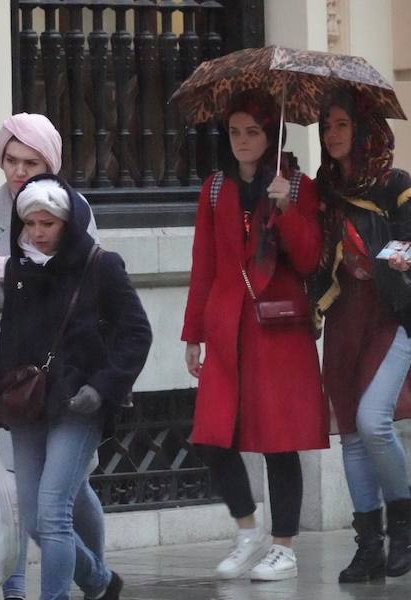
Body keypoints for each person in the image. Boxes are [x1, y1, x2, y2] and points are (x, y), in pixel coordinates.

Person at [0, 174, 152, 600]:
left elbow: (137, 333)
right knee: (33, 519)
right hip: (29, 404)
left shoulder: (101, 264)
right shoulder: (19, 270)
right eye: (30, 223)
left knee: (53, 515)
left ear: (67, 222)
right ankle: (100, 581)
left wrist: (103, 387)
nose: (37, 232)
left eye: (47, 224)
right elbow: (7, 345)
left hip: (80, 403)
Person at [0, 113, 104, 600]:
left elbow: (83, 284)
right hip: (7, 373)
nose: (18, 170)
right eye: (11, 160)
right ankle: (14, 592)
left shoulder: (73, 208)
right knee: (19, 493)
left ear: (50, 163)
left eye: (30, 161)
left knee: (70, 493)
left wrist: (9, 274)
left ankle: (96, 577)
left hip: (66, 376)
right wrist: (21, 288)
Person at [180, 89, 328, 582]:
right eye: (235, 132)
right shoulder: (215, 188)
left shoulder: (299, 185)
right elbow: (203, 264)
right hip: (226, 327)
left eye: (254, 131)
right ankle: (247, 531)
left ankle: (283, 545)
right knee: (212, 435)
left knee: (278, 440)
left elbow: (309, 259)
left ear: (272, 134)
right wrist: (192, 333)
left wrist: (286, 209)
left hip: (279, 331)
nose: (243, 141)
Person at [312, 89, 411, 583]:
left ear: (361, 130)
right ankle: (369, 548)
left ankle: (403, 525)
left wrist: (399, 258)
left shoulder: (394, 182)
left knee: (373, 420)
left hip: (392, 314)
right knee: (353, 436)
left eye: (341, 125)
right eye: (326, 127)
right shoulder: (321, 188)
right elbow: (308, 249)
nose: (332, 135)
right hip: (343, 318)